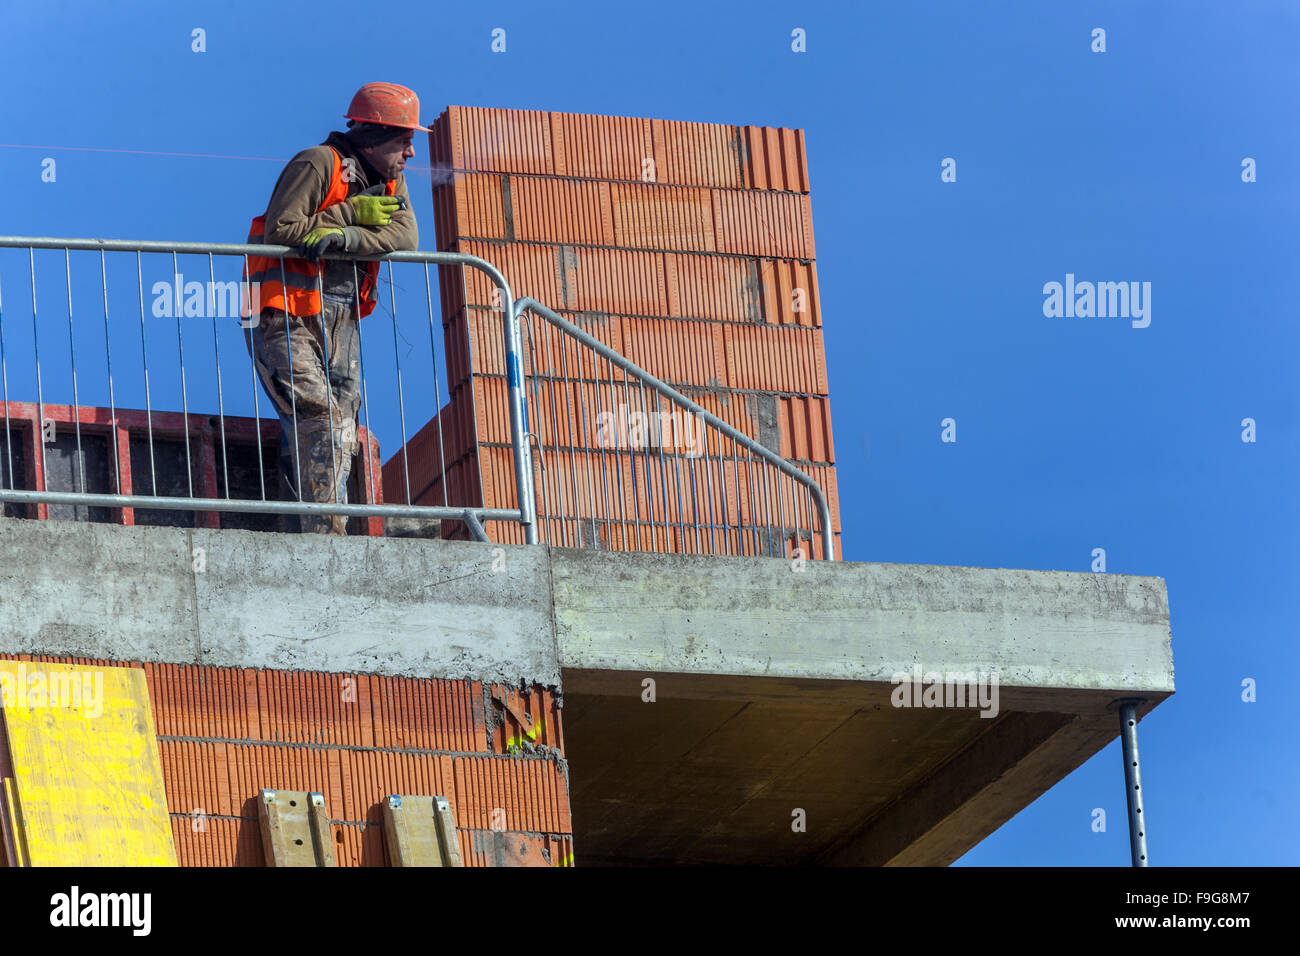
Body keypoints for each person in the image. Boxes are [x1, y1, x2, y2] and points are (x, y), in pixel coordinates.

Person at [242, 83, 425, 534]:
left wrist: (349, 237)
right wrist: (347, 215)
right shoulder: (318, 163)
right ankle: (324, 535)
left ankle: (325, 524)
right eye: (404, 140)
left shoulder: (391, 182)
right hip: (283, 312)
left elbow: (406, 237)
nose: (411, 152)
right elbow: (283, 230)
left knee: (343, 422)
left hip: (340, 315)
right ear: (375, 133)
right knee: (319, 415)